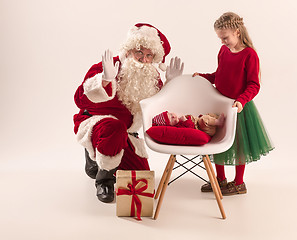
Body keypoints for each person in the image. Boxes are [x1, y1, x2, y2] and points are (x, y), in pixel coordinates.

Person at [73, 23, 184, 203]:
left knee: (141, 179)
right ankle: (104, 179)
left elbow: (156, 113)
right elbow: (79, 100)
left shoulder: (152, 77)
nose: (143, 59)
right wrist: (105, 80)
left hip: (126, 134)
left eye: (149, 56)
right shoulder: (109, 67)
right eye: (139, 52)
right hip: (97, 124)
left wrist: (170, 85)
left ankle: (100, 160)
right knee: (114, 127)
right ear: (130, 49)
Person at [193, 12, 274, 196]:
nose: (223, 42)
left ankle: (239, 183)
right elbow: (219, 75)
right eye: (220, 38)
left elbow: (254, 84)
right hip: (220, 105)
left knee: (239, 145)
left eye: (225, 38)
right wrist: (203, 77)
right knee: (217, 140)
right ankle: (220, 179)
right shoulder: (223, 51)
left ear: (237, 32)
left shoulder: (249, 55)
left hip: (238, 108)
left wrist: (241, 101)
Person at [152, 111, 225, 136]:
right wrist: (185, 120)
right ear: (169, 125)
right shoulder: (178, 127)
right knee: (203, 120)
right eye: (171, 119)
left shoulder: (179, 121)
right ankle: (218, 122)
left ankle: (216, 120)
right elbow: (190, 129)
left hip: (207, 126)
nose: (173, 116)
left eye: (171, 114)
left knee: (207, 115)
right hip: (206, 130)